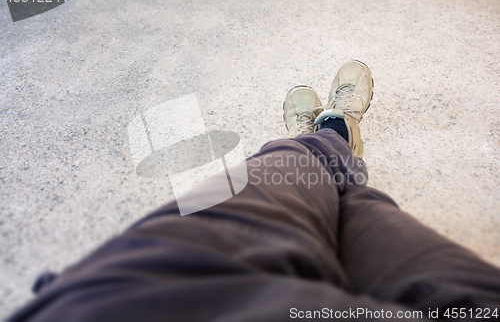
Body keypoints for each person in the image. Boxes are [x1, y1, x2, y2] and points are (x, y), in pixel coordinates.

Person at [8, 61, 500, 321]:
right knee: (345, 195)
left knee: (297, 178)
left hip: (140, 301)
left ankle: (323, 140)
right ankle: (335, 134)